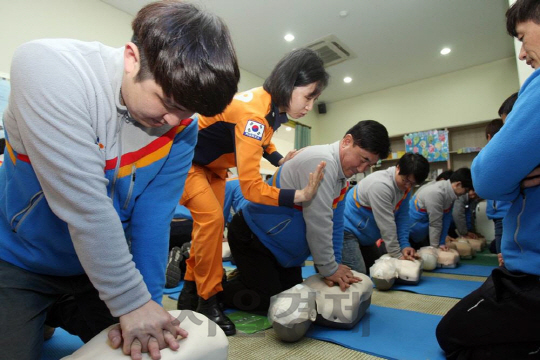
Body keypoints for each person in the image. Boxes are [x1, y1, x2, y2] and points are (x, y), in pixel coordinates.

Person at [0, 2, 240, 360]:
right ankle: (39, 318)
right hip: (19, 264)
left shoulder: (183, 129)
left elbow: (153, 220)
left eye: (188, 112)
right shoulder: (47, 66)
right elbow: (85, 208)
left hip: (94, 272)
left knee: (154, 349)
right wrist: (130, 301)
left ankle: (52, 316)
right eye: (168, 101)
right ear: (132, 58)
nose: (175, 121)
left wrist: (148, 305)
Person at [176, 48, 329, 335]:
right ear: (289, 84)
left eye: (314, 99)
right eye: (308, 96)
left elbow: (265, 142)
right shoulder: (255, 115)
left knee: (206, 229)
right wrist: (298, 196)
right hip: (186, 162)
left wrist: (279, 159)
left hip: (214, 168)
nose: (309, 106)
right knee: (211, 222)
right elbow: (251, 189)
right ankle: (208, 302)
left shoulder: (270, 107)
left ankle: (188, 289)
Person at [437, 2, 540, 357]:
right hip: (523, 259)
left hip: (532, 275)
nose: (524, 53)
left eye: (523, 38)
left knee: (452, 334)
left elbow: (489, 178)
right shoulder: (439, 194)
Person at [221, 120, 391, 313]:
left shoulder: (341, 176)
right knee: (270, 302)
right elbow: (318, 223)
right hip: (254, 239)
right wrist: (328, 269)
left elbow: (335, 222)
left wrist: (333, 265)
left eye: (369, 164)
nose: (362, 169)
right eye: (363, 159)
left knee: (293, 298)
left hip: (282, 251)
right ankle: (213, 291)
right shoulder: (319, 163)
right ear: (346, 141)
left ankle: (247, 276)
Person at [341, 153, 430, 274]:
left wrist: (404, 246)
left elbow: (402, 218)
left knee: (378, 270)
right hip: (347, 231)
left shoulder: (405, 187)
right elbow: (387, 224)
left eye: (413, 184)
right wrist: (397, 255)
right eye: (406, 180)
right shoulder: (380, 185)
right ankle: (328, 266)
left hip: (366, 235)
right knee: (359, 275)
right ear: (398, 168)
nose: (408, 186)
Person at [409, 168, 473, 249]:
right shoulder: (436, 193)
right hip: (409, 232)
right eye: (466, 190)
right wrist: (435, 248)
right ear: (458, 184)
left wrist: (442, 243)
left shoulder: (451, 194)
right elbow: (435, 224)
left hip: (421, 232)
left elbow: (446, 220)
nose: (465, 193)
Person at [484, 119, 511, 256]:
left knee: (501, 240)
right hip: (513, 207)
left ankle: (503, 268)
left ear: (489, 137)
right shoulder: (513, 151)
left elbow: (483, 184)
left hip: (501, 209)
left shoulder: (491, 155)